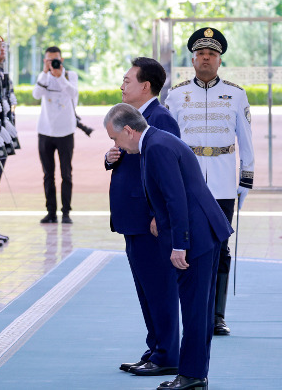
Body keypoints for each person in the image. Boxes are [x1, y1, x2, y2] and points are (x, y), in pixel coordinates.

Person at [104, 103, 233, 390]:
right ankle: (193, 374)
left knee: (195, 309)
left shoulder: (157, 147)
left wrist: (179, 245)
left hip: (196, 236)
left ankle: (192, 376)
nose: (117, 146)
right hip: (203, 231)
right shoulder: (156, 141)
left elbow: (176, 199)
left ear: (128, 130)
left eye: (115, 139)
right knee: (197, 308)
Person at [164, 27, 254, 336]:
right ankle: (189, 308)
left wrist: (246, 180)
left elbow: (246, 140)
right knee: (183, 243)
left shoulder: (235, 94)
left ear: (219, 61)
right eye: (201, 53)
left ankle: (217, 315)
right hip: (185, 181)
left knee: (220, 246)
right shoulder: (175, 95)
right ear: (192, 59)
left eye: (212, 54)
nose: (206, 58)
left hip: (222, 181)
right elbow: (166, 140)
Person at [106, 58, 181, 376]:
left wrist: (157, 214)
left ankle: (167, 355)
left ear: (145, 85)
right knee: (146, 288)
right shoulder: (135, 117)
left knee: (160, 288)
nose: (122, 85)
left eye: (127, 80)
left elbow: (168, 171)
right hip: (132, 217)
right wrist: (110, 158)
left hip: (149, 220)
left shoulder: (160, 118)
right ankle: (156, 348)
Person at [32, 46, 77, 224]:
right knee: (48, 174)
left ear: (61, 59)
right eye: (49, 60)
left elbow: (74, 93)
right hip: (45, 130)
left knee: (66, 173)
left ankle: (66, 212)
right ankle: (51, 212)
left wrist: (59, 77)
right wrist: (46, 73)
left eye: (55, 60)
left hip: (66, 131)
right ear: (45, 61)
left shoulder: (70, 76)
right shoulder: (43, 77)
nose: (53, 63)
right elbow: (36, 94)